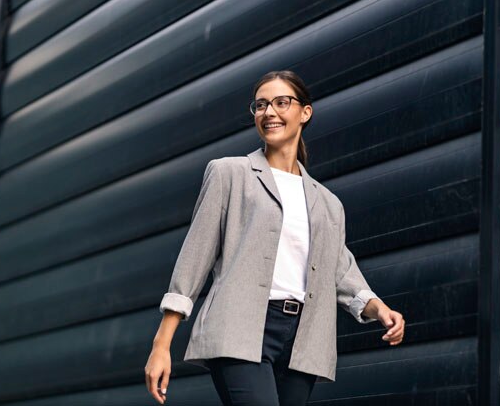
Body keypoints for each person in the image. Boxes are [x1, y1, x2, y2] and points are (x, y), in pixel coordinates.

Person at [144, 70, 405, 405]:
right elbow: (193, 261)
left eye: (282, 102)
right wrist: (161, 345)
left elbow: (341, 271)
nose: (269, 112)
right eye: (261, 105)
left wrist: (378, 308)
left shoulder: (327, 203)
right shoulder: (229, 173)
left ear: (305, 112)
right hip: (240, 329)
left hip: (303, 340)